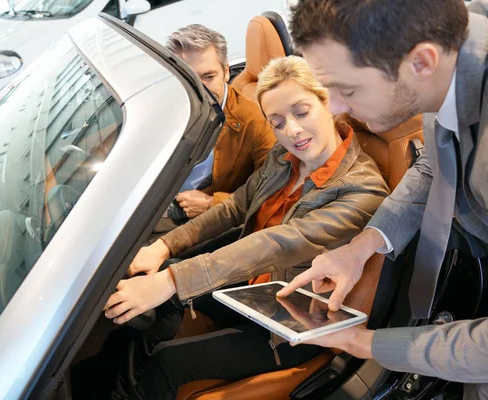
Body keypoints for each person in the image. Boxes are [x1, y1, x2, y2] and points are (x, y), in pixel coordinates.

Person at [277, 0, 488, 399]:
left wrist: (364, 344)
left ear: (421, 62)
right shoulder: (461, 38)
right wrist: (361, 248)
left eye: (346, 89)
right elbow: (434, 166)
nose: (336, 107)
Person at [104, 55, 389, 399]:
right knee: (163, 292)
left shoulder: (362, 190)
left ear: (327, 101)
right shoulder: (285, 158)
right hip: (252, 289)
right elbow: (237, 206)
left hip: (294, 323)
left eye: (302, 112)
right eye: (278, 122)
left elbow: (278, 243)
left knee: (168, 359)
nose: (292, 131)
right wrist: (164, 248)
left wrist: (170, 281)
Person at [159, 24, 275, 227]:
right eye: (188, 79)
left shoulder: (255, 121)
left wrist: (212, 204)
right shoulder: (164, 108)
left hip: (197, 221)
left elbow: (273, 191)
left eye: (208, 77)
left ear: (226, 72)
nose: (200, 91)